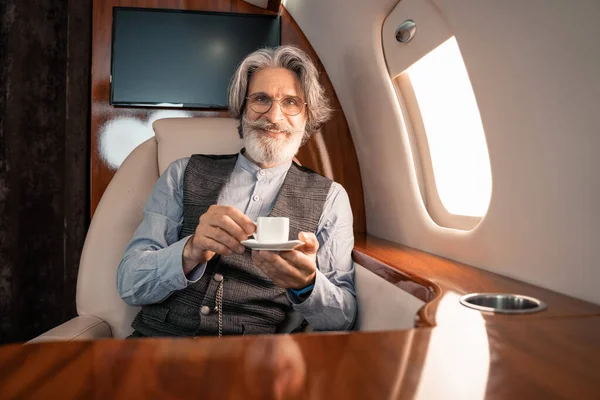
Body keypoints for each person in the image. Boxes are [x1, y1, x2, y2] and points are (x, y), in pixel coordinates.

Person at [117, 45, 356, 337]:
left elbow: (344, 316)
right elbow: (129, 284)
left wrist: (307, 283)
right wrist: (189, 250)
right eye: (261, 99)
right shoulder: (181, 174)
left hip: (253, 361)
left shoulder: (331, 198)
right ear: (242, 109)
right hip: (156, 347)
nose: (274, 116)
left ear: (308, 116)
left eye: (291, 102)